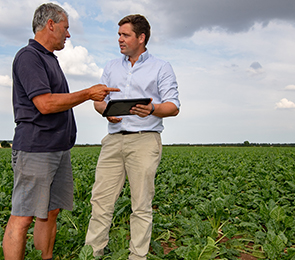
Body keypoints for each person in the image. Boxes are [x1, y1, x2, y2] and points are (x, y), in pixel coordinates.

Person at [2, 3, 119, 260]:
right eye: (66, 28)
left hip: (57, 149)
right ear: (50, 24)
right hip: (36, 149)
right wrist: (88, 93)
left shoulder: (49, 59)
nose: (68, 35)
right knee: (22, 217)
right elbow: (44, 104)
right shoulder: (28, 56)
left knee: (51, 212)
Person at [85, 14, 180, 259]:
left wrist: (151, 109)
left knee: (141, 205)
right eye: (119, 35)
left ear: (141, 37)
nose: (120, 39)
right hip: (113, 140)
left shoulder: (161, 67)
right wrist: (106, 112)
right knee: (100, 201)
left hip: (144, 140)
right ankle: (92, 253)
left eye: (125, 35)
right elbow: (99, 101)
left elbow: (173, 106)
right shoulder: (111, 66)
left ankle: (137, 256)